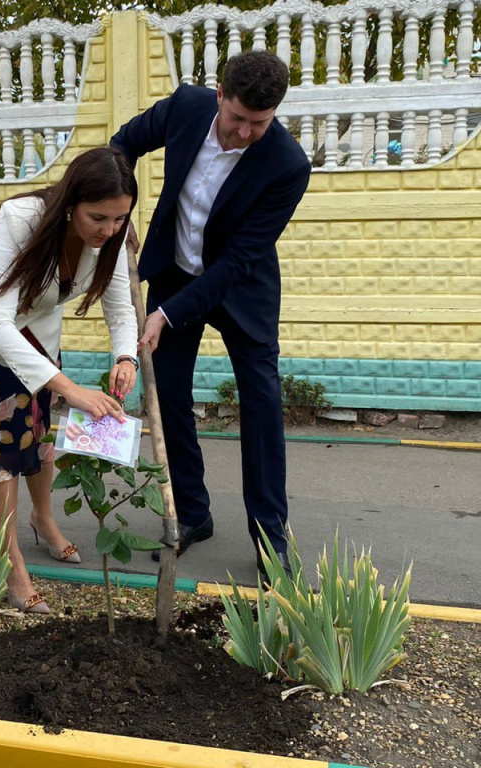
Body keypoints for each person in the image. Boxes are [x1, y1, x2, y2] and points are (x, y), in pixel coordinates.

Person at [110, 51, 311, 580]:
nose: (245, 133)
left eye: (259, 124)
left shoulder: (288, 165)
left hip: (241, 291)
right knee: (169, 395)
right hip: (175, 269)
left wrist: (167, 315)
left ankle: (270, 541)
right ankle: (193, 514)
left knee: (262, 405)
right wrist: (119, 210)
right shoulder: (186, 107)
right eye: (237, 117)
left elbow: (239, 260)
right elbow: (122, 145)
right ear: (219, 95)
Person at [0, 147, 140, 613]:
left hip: (34, 325)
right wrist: (70, 387)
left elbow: (121, 308)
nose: (109, 230)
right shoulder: (19, 220)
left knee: (40, 426)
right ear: (70, 204)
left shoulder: (112, 236)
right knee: (3, 441)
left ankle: (43, 520)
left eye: (119, 218)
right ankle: (10, 561)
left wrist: (125, 358)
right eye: (98, 218)